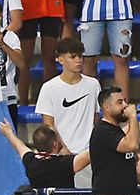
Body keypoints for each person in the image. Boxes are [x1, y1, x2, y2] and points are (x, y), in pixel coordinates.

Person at [35, 36, 101, 182]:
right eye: (73, 57)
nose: (79, 60)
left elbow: (96, 120)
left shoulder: (93, 85)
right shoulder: (49, 88)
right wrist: (63, 150)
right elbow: (48, 125)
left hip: (87, 155)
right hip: (60, 156)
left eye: (80, 56)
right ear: (60, 59)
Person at [89, 87, 140, 195]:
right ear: (106, 107)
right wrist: (133, 117)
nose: (125, 106)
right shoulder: (103, 131)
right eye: (120, 102)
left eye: (125, 101)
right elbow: (132, 145)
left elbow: (124, 163)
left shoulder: (115, 130)